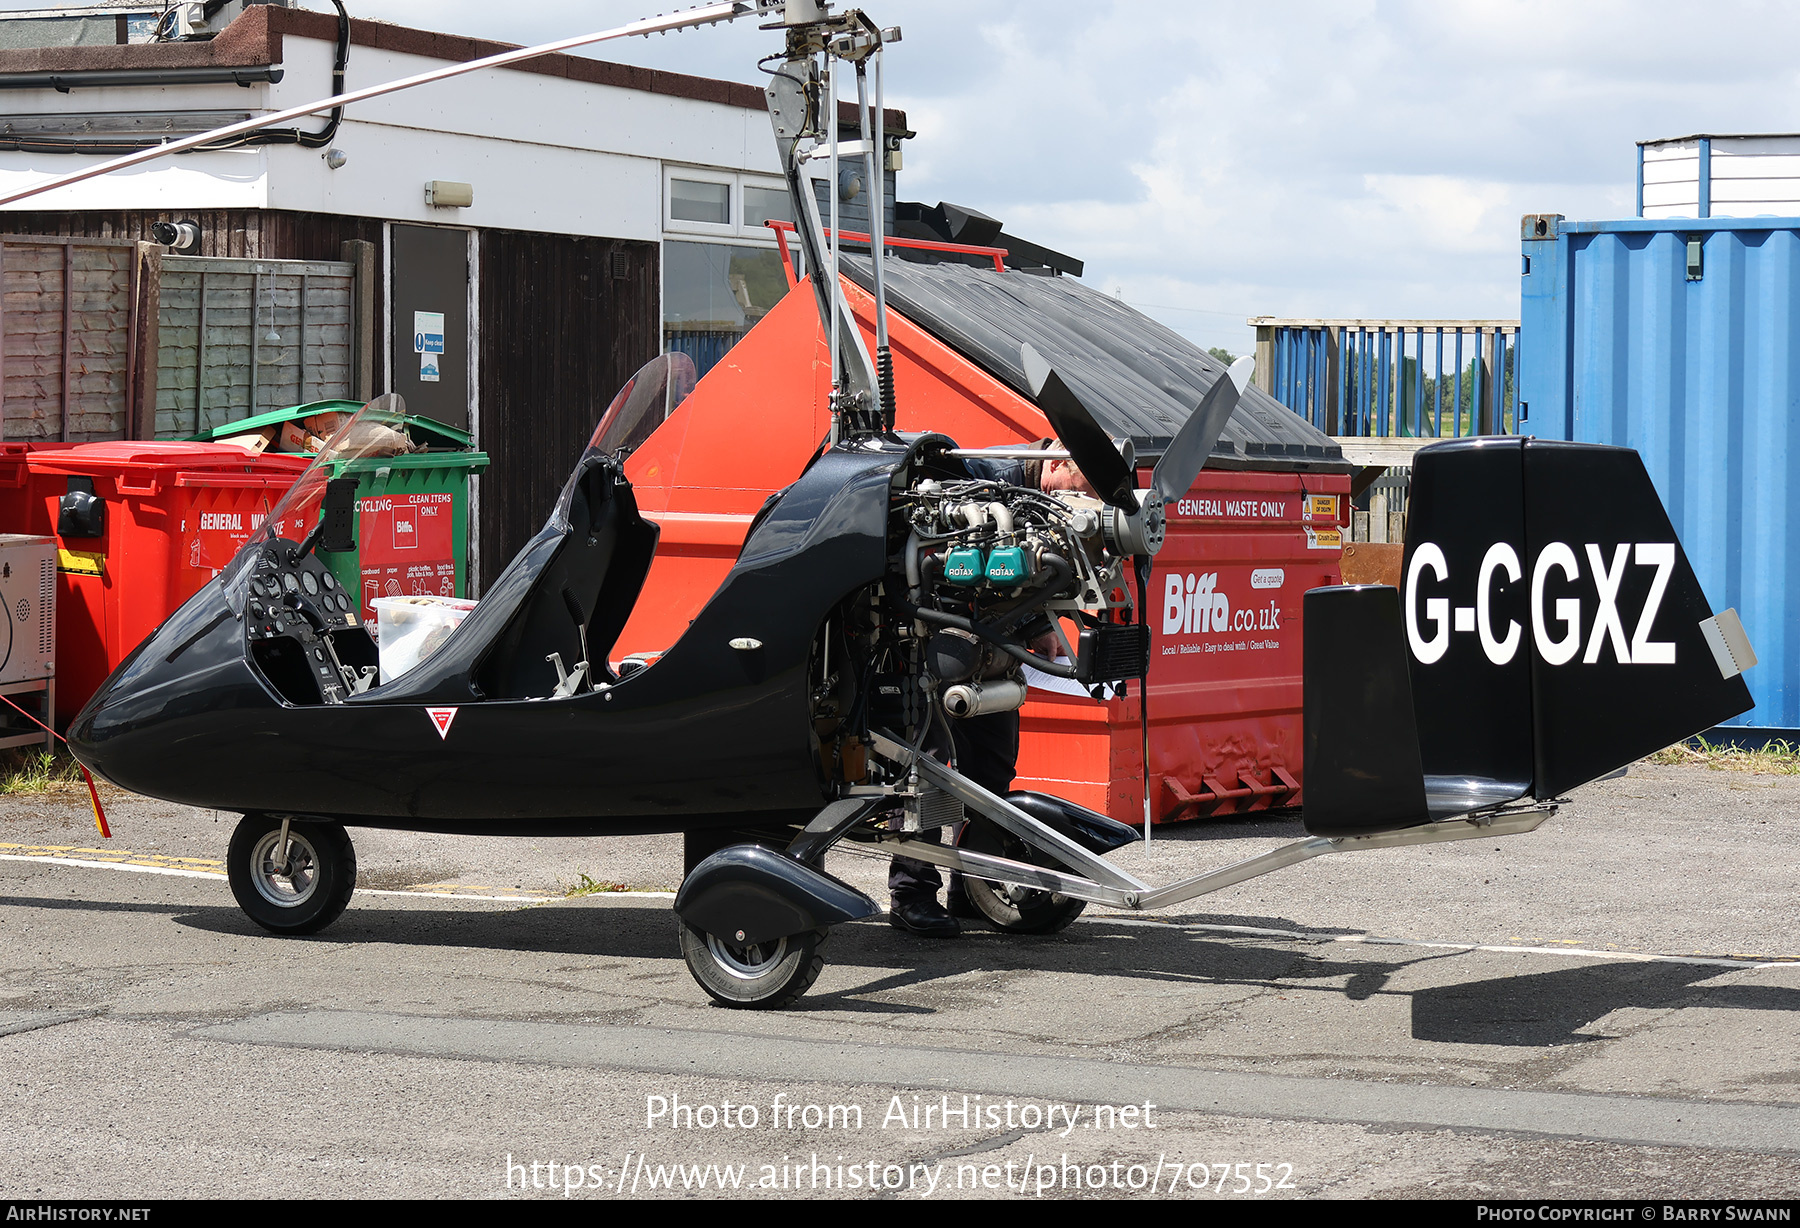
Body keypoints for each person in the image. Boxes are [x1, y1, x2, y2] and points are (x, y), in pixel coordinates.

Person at [888, 441, 1094, 938]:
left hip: (993, 651)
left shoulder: (1048, 504)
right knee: (929, 765)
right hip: (933, 645)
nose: (1079, 507)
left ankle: (973, 884)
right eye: (1079, 493)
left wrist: (1043, 624)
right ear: (1059, 463)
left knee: (993, 768)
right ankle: (911, 891)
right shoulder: (977, 477)